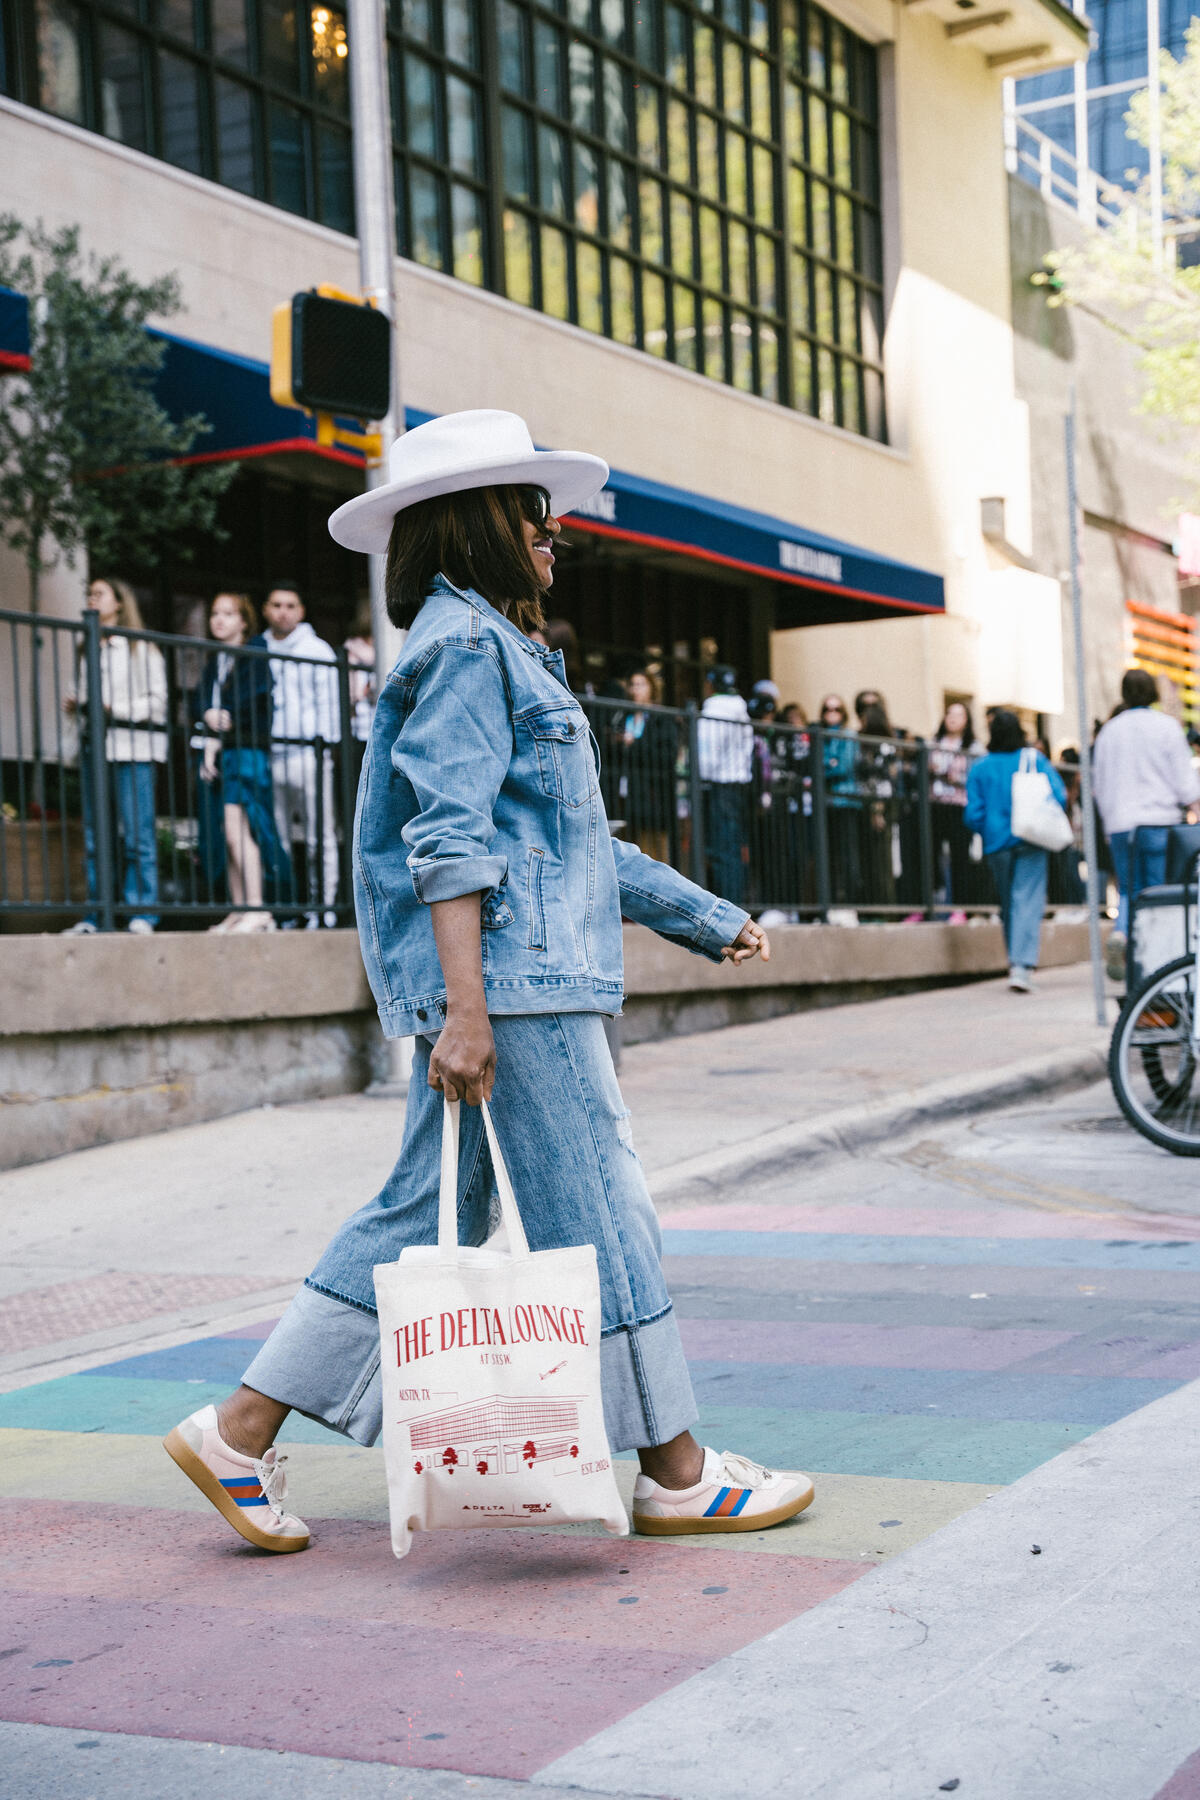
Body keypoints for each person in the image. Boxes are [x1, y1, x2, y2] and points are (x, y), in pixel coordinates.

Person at [162, 407, 814, 1552]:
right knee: (602, 1213)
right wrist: (465, 1011)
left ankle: (238, 1433)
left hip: (521, 977)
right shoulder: (467, 650)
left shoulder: (495, 650)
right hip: (516, 990)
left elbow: (579, 848)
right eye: (535, 516)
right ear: (482, 527)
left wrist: (710, 921)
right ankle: (675, 1468)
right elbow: (447, 839)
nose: (554, 537)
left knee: (426, 1210)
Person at [62, 577, 167, 936]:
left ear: (119, 603)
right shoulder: (87, 646)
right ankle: (96, 914)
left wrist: (112, 707)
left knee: (139, 833)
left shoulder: (141, 648)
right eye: (89, 594)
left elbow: (158, 704)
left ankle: (143, 911)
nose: (91, 599)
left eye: (99, 594)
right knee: (95, 836)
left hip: (133, 748)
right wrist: (76, 704)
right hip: (95, 748)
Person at [193, 592, 294, 933]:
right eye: (215, 613)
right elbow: (206, 708)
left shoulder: (254, 652)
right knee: (228, 831)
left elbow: (253, 702)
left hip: (246, 751)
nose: (219, 620)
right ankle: (240, 909)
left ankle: (257, 908)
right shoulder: (216, 661)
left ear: (244, 621)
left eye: (228, 614)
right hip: (229, 752)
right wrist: (210, 726)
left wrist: (224, 718)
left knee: (239, 831)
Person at [1093, 667, 1200, 980]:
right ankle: (1153, 967)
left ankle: (1123, 934)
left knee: (1129, 891)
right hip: (1159, 822)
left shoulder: (1109, 732)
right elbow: (1185, 781)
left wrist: (1107, 826)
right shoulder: (1166, 727)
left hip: (1121, 824)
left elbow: (1100, 782)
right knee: (1158, 895)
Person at [965, 708, 1067, 992]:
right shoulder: (1035, 760)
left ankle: (1016, 962)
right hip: (1032, 839)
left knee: (1009, 902)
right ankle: (1021, 966)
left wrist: (987, 827)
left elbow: (973, 813)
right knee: (1027, 900)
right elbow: (1058, 795)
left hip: (997, 842)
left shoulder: (981, 767)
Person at [259, 583, 341, 928]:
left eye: (290, 605)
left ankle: (323, 909)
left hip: (309, 753)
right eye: (276, 604)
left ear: (301, 611)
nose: (283, 611)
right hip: (270, 753)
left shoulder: (317, 650)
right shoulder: (259, 647)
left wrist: (325, 749)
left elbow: (329, 704)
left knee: (317, 837)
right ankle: (288, 909)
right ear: (266, 609)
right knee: (275, 837)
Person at [696, 664, 754, 906]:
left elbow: (707, 753)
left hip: (720, 784)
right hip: (738, 783)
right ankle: (736, 903)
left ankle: (728, 906)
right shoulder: (740, 708)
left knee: (722, 849)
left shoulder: (715, 708)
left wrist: (699, 774)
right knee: (733, 848)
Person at [614, 667, 676, 864]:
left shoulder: (661, 719)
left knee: (656, 851)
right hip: (629, 792)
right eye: (632, 685)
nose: (635, 689)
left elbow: (666, 755)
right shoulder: (624, 717)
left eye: (640, 684)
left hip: (653, 795)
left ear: (651, 688)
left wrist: (635, 744)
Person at [929, 701, 982, 921]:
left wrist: (957, 778)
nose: (952, 718)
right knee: (933, 853)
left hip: (960, 806)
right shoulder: (935, 743)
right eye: (949, 712)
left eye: (958, 714)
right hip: (936, 804)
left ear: (966, 720)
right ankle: (936, 900)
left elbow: (977, 776)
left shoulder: (973, 747)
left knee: (960, 856)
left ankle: (962, 906)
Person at [817, 693, 861, 906]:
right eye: (827, 709)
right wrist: (829, 764)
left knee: (847, 854)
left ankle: (850, 903)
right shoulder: (821, 736)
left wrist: (825, 767)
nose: (831, 714)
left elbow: (844, 766)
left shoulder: (848, 735)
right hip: (826, 803)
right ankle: (832, 902)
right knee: (829, 855)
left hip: (846, 801)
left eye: (836, 709)